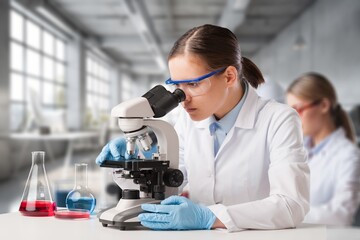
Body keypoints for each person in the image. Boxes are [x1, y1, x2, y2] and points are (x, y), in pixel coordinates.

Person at [96, 24, 310, 232]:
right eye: (178, 85)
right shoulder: (187, 119)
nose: (182, 98)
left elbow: (291, 205)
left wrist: (210, 217)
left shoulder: (279, 119)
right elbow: (173, 179)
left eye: (194, 84)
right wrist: (141, 157)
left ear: (229, 76)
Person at [286, 72, 360, 226]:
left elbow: (341, 215)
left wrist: (284, 215)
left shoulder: (348, 156)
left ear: (324, 106)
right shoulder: (297, 149)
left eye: (297, 110)